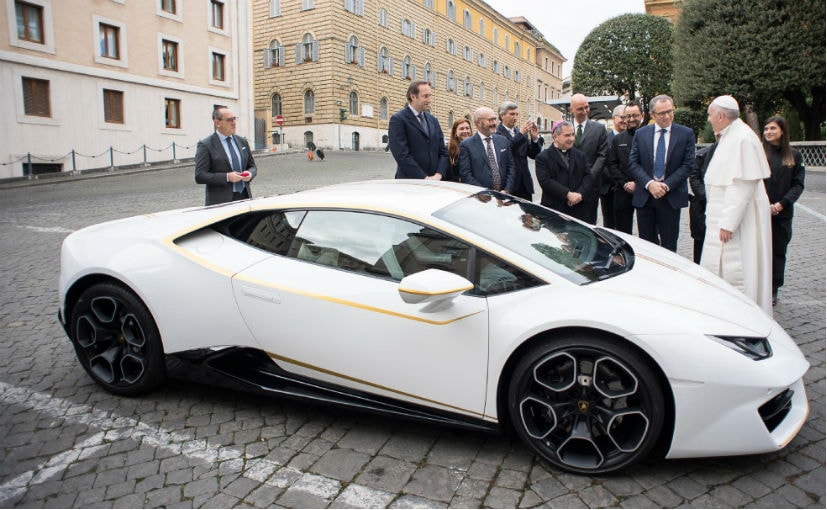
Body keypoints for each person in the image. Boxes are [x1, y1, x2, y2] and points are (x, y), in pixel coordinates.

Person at [700, 95, 773, 314]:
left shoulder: (742, 139)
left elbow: (741, 185)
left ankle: (743, 314)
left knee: (740, 268)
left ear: (721, 115)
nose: (709, 119)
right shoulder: (730, 136)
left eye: (711, 115)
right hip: (728, 219)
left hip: (740, 222)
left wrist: (728, 224)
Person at [628, 94, 695, 252]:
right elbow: (633, 163)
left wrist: (665, 186)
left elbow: (688, 165)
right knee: (647, 246)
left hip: (670, 197)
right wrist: (650, 184)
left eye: (670, 111)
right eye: (662, 113)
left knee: (669, 246)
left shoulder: (685, 134)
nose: (667, 116)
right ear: (652, 115)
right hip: (645, 197)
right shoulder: (641, 134)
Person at [762, 115, 805, 306]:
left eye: (773, 129)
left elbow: (797, 185)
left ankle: (773, 289)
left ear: (782, 131)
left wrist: (782, 204)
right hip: (760, 211)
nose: (769, 132)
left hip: (782, 213)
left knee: (778, 252)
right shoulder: (759, 153)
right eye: (766, 129)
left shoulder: (794, 156)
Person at [194, 107, 257, 206]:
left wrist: (250, 173)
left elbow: (252, 166)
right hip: (221, 202)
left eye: (234, 118)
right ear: (217, 123)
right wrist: (227, 177)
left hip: (245, 197)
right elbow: (200, 176)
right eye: (229, 120)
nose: (234, 123)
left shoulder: (242, 141)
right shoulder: (206, 145)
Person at [388, 80, 448, 180]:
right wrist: (423, 178)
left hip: (435, 182)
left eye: (430, 95)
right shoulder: (398, 119)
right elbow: (401, 155)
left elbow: (443, 152)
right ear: (413, 96)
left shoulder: (433, 120)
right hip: (410, 183)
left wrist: (439, 174)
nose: (430, 100)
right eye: (425, 96)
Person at [535, 120, 593, 222]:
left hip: (579, 209)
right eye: (567, 135)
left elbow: (588, 176)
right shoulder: (543, 157)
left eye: (572, 134)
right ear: (555, 136)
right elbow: (546, 181)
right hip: (555, 209)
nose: (571, 138)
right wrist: (568, 194)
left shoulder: (580, 155)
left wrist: (579, 194)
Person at [570, 93, 608, 225]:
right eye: (580, 109)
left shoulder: (599, 129)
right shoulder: (563, 128)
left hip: (591, 187)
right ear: (571, 110)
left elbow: (602, 156)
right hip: (569, 186)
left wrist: (588, 179)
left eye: (586, 107)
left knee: (588, 224)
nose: (585, 111)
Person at [458, 106, 515, 193]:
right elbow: (466, 175)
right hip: (481, 199)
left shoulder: (503, 141)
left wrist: (507, 190)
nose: (494, 123)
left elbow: (511, 167)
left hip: (503, 197)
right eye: (490, 120)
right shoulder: (466, 145)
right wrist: (485, 193)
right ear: (478, 122)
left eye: (495, 119)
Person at [495, 102, 542, 201]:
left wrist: (534, 139)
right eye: (512, 114)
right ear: (502, 115)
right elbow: (506, 151)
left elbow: (533, 155)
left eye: (517, 114)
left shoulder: (520, 132)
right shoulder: (497, 133)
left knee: (527, 215)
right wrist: (520, 134)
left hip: (525, 184)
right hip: (509, 184)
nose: (515, 117)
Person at [688, 141, 718, 263]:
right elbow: (694, 177)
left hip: (722, 208)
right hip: (702, 207)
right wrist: (708, 197)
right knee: (700, 245)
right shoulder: (702, 155)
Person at [446, 118, 473, 182]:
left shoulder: (476, 147)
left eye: (467, 128)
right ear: (455, 132)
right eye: (461, 129)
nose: (465, 131)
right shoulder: (448, 149)